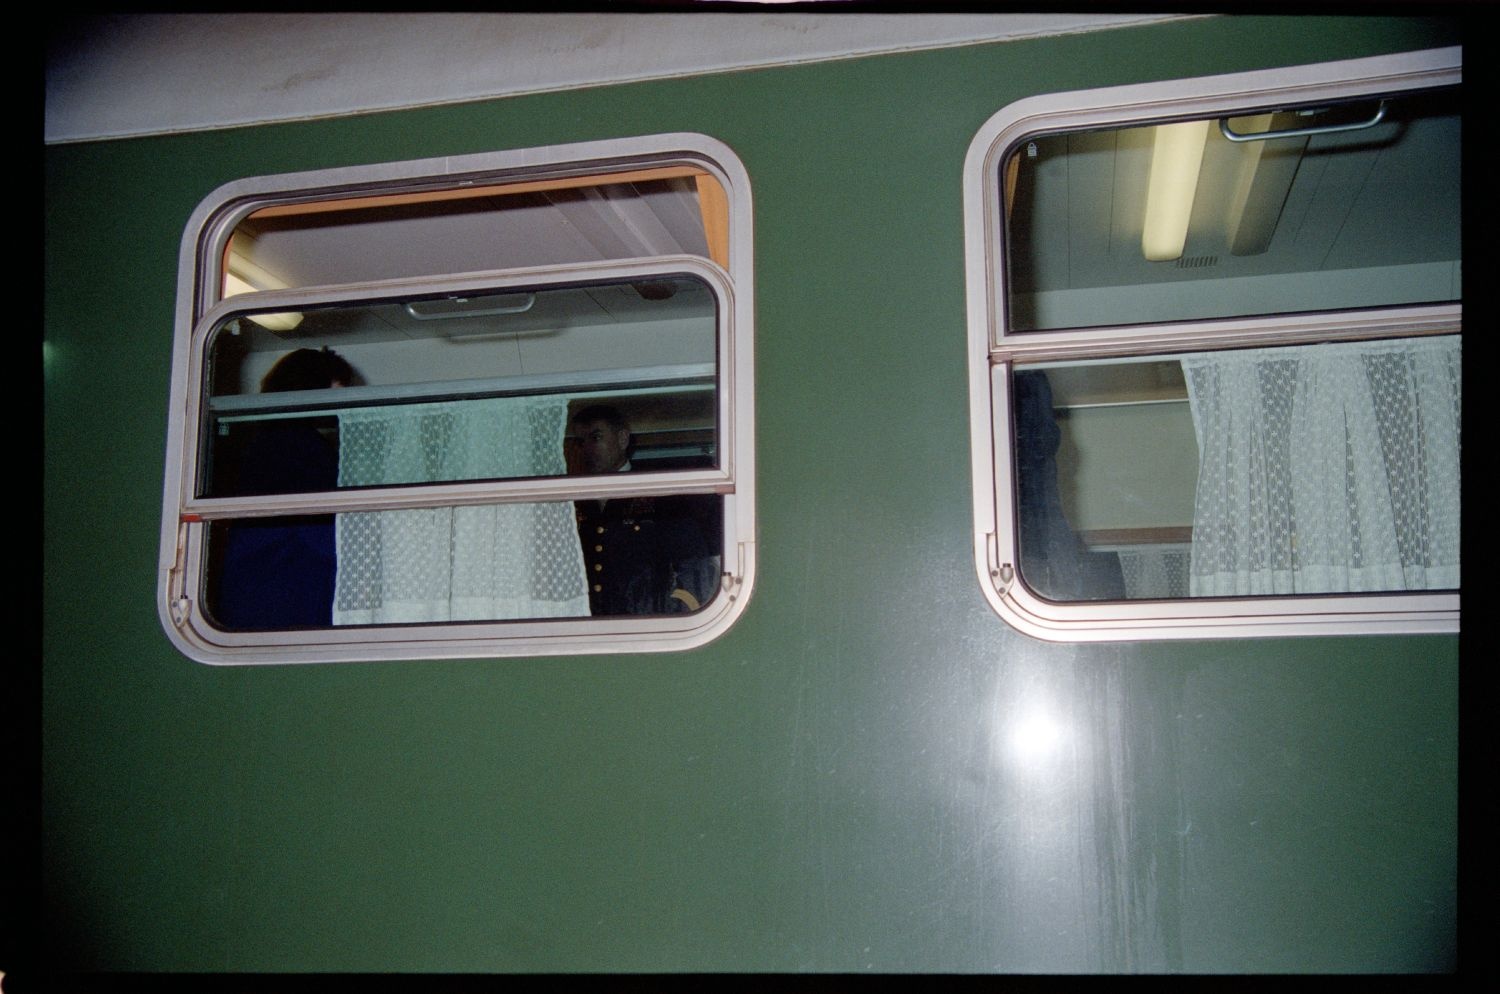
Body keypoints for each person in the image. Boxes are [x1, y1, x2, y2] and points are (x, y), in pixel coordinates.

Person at [212, 348, 356, 629]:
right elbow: (320, 532)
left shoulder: (262, 441)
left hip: (257, 586)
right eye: (336, 389)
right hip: (289, 586)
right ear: (312, 386)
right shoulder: (302, 446)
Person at [570, 404, 720, 615]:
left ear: (622, 439)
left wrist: (676, 614)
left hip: (645, 619)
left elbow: (694, 566)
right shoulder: (572, 501)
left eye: (596, 438)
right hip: (587, 621)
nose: (586, 449)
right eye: (580, 442)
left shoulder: (659, 494)